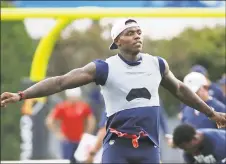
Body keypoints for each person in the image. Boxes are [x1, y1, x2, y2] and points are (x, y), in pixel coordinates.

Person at [1, 18, 226, 163]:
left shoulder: (157, 64)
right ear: (117, 41)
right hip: (117, 148)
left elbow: (180, 89)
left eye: (139, 31)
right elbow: (60, 82)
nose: (137, 35)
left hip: (149, 148)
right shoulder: (104, 68)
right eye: (130, 32)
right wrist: (21, 95)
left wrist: (211, 113)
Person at [45, 87, 96, 162]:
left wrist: (87, 134)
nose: (74, 98)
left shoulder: (83, 106)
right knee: (67, 160)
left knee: (81, 160)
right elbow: (49, 120)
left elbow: (91, 120)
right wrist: (58, 134)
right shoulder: (62, 107)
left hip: (81, 140)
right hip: (67, 141)